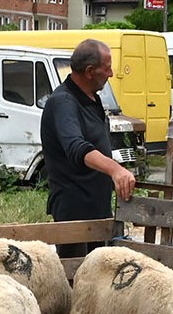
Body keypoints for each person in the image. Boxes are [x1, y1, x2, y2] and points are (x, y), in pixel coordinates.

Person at [40, 38, 136, 259]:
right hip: (75, 213)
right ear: (90, 71)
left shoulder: (92, 98)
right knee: (76, 281)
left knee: (98, 281)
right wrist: (115, 169)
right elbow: (76, 146)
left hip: (96, 209)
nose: (111, 74)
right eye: (108, 68)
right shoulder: (63, 102)